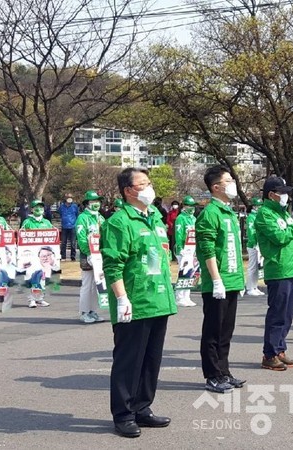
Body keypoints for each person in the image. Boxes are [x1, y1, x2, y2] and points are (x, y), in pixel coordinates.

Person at [100, 167, 177, 438]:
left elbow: (160, 257)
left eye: (149, 182)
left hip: (158, 299)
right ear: (128, 191)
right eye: (142, 184)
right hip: (134, 301)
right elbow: (112, 264)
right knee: (129, 361)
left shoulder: (154, 216)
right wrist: (121, 298)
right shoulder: (119, 222)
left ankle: (143, 408)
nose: (149, 188)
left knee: (151, 360)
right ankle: (123, 414)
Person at [195, 165, 245, 394]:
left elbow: (233, 249)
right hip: (218, 282)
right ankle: (212, 375)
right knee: (213, 331)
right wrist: (216, 279)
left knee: (226, 331)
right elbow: (206, 249)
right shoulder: (210, 213)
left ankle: (224, 371)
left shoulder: (229, 212)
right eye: (228, 180)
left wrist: (240, 280)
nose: (233, 182)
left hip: (232, 280)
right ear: (216, 187)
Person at [255, 176, 293, 370]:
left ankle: (279, 349)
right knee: (277, 314)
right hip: (277, 269)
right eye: (282, 193)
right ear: (271, 195)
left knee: (287, 314)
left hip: (290, 267)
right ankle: (269, 354)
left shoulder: (283, 213)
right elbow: (281, 237)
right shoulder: (265, 214)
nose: (286, 196)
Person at [75, 190, 106, 323]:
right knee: (87, 284)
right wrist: (88, 252)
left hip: (100, 255)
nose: (97, 204)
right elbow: (81, 238)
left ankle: (93, 311)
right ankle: (84, 312)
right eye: (93, 201)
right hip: (88, 255)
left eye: (98, 201)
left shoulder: (100, 217)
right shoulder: (83, 218)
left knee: (96, 285)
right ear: (87, 203)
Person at [174, 195, 198, 307]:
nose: (192, 208)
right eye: (190, 205)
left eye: (193, 205)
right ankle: (179, 297)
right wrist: (180, 247)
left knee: (191, 272)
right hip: (184, 248)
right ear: (184, 206)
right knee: (183, 271)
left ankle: (187, 296)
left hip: (192, 248)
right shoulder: (181, 218)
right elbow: (178, 234)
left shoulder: (193, 219)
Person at [245, 197, 265, 296]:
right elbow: (251, 231)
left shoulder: (259, 216)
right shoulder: (251, 217)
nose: (259, 207)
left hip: (259, 245)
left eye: (260, 205)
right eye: (257, 205)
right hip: (253, 245)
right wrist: (254, 243)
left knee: (258, 267)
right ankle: (249, 288)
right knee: (252, 267)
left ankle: (254, 286)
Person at [58, 193, 79, 261]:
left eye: (71, 197)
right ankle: (63, 256)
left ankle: (73, 256)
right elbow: (60, 214)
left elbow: (77, 214)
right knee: (63, 242)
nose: (69, 198)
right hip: (64, 226)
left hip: (73, 226)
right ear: (65, 198)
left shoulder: (75, 206)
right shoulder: (61, 207)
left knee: (73, 242)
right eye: (68, 197)